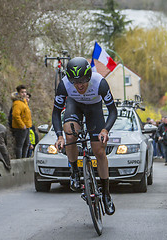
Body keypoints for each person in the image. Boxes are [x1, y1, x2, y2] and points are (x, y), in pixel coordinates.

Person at [52, 57, 117, 215]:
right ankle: (74, 171)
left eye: (82, 81)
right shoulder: (64, 84)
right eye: (75, 82)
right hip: (74, 106)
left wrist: (105, 130)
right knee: (70, 134)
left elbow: (113, 111)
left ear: (89, 77)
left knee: (99, 151)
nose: (79, 85)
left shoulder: (100, 83)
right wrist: (59, 136)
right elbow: (55, 112)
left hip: (94, 109)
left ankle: (106, 194)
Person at [11, 85, 32, 158]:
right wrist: (22, 125)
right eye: (22, 92)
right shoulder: (17, 103)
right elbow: (15, 115)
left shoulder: (24, 101)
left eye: (25, 92)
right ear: (18, 93)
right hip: (21, 128)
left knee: (26, 144)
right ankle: (19, 159)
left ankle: (24, 158)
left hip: (27, 126)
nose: (24, 94)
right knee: (20, 145)